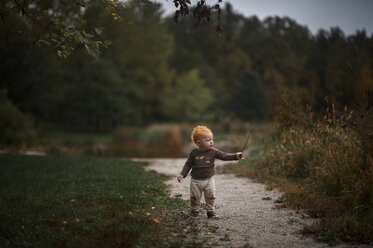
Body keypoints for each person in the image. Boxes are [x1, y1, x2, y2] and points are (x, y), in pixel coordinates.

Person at [177, 125, 244, 219]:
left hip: (209, 179)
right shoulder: (194, 153)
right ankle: (194, 211)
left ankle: (210, 211)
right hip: (196, 180)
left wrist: (235, 156)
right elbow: (188, 164)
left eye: (212, 139)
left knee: (211, 196)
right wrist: (182, 174)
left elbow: (224, 156)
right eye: (208, 140)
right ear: (198, 142)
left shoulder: (213, 151)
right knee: (194, 197)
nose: (211, 142)